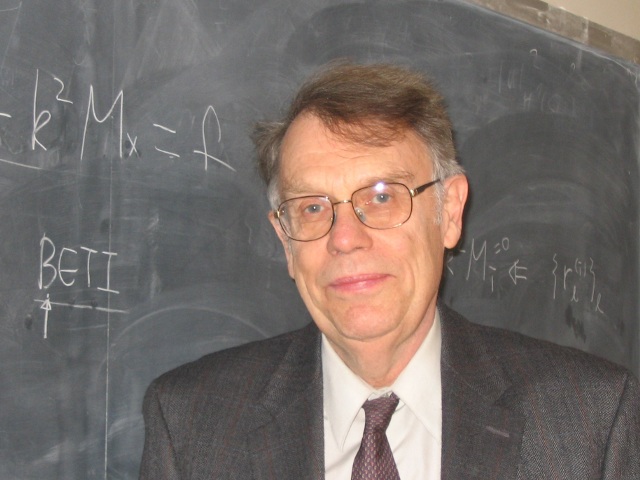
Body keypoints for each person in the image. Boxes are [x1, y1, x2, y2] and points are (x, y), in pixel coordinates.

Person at [139, 62, 639, 479]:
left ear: (449, 212)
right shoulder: (190, 425)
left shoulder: (589, 424)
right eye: (312, 207)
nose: (344, 238)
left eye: (382, 197)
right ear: (286, 241)